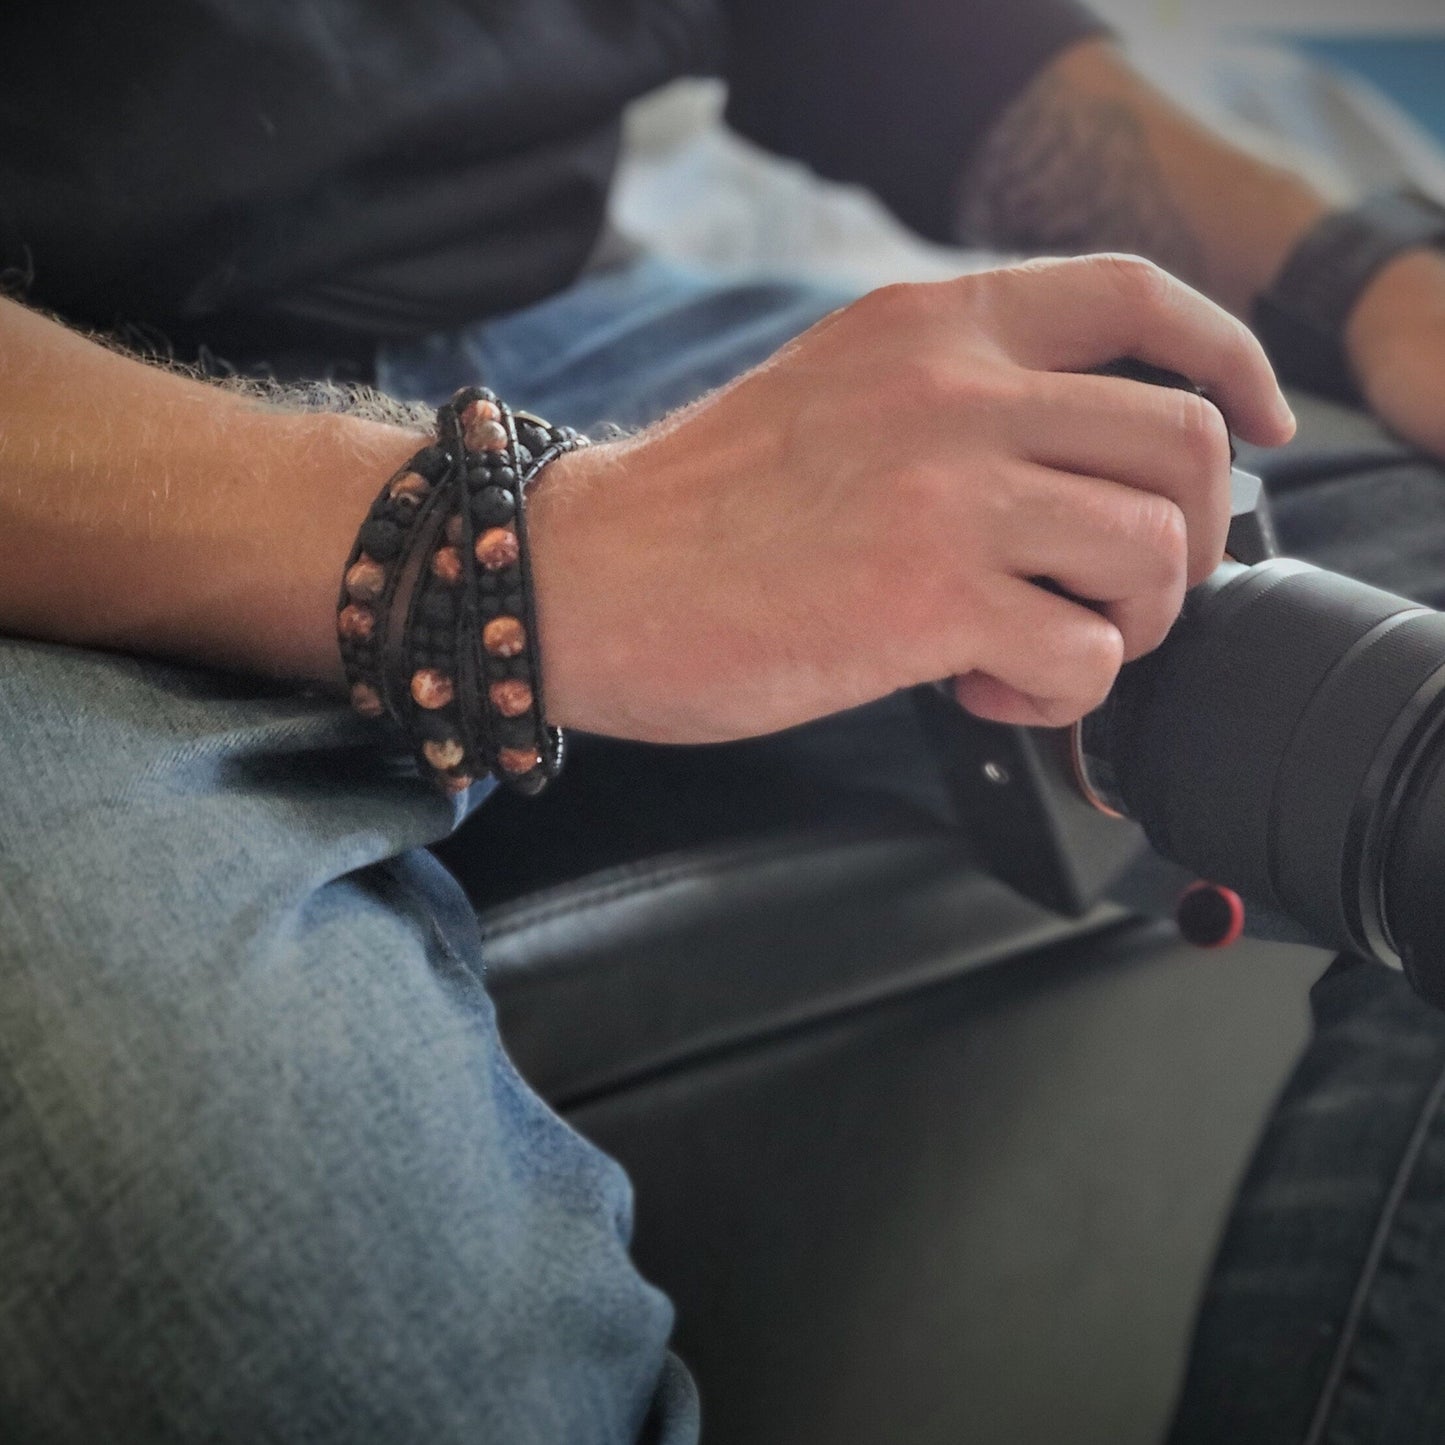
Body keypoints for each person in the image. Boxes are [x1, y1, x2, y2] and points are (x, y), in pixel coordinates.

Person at [2, 2, 1445, 1440]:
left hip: (534, 323)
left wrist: (1366, 269)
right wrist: (545, 548)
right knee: (251, 1245)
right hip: (66, 437)